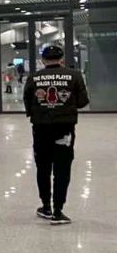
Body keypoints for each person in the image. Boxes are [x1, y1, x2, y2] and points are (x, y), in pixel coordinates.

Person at [24, 45, 89, 225]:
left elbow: (27, 101)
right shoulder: (74, 75)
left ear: (43, 60)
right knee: (62, 168)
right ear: (62, 59)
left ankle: (46, 206)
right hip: (64, 128)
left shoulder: (34, 77)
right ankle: (58, 211)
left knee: (43, 167)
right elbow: (83, 101)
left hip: (41, 128)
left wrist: (38, 112)